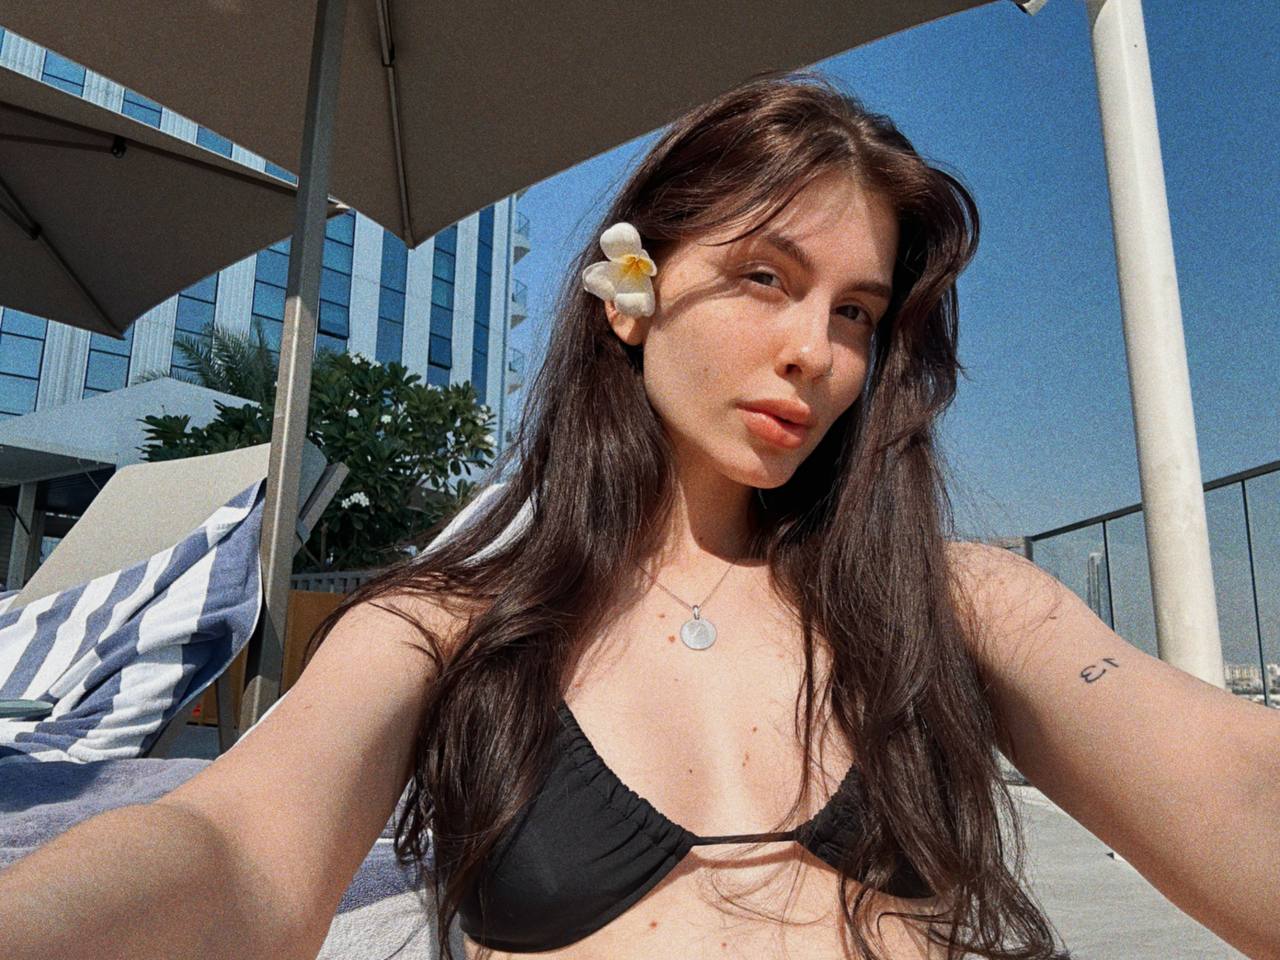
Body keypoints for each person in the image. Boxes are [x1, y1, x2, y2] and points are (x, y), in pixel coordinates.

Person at [3, 69, 1276, 960]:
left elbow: (1232, 786)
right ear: (630, 295)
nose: (815, 350)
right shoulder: (444, 626)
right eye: (762, 276)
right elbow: (232, 852)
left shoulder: (956, 602)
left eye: (854, 312)